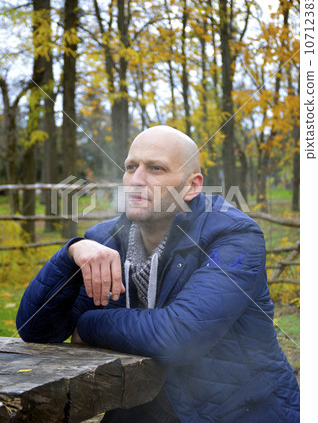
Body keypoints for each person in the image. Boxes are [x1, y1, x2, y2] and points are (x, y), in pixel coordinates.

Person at [16, 126, 300, 422]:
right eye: (131, 167)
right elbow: (37, 331)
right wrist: (70, 254)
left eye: (156, 168)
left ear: (192, 186)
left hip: (237, 411)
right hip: (138, 408)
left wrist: (87, 325)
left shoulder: (234, 236)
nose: (137, 180)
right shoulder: (105, 239)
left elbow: (179, 336)